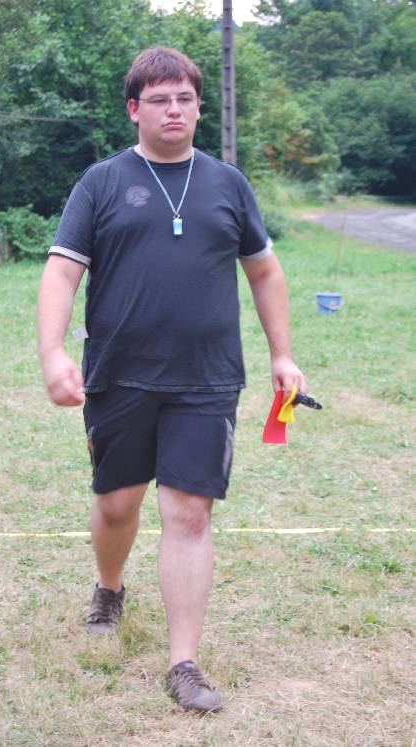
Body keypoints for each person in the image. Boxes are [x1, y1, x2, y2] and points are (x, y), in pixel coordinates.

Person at [37, 47, 306, 712]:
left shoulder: (227, 184)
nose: (175, 110)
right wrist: (53, 353)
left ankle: (183, 663)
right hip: (119, 377)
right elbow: (62, 271)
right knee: (117, 503)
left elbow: (264, 270)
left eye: (185, 98)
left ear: (198, 106)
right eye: (160, 99)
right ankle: (109, 587)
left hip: (207, 380)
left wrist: (283, 355)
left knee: (188, 513)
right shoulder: (102, 183)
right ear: (135, 109)